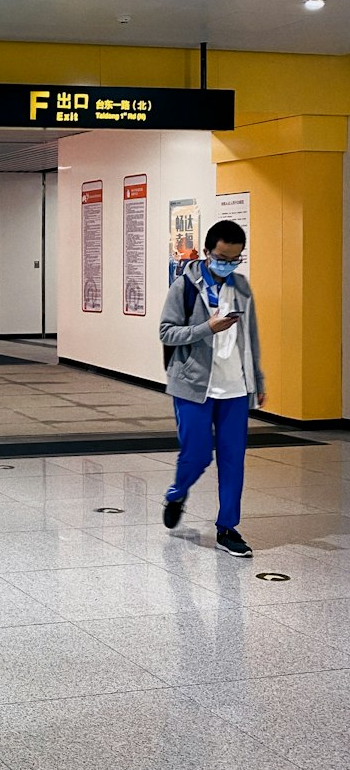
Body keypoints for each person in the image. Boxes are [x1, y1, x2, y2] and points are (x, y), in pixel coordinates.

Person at [159, 219, 265, 556]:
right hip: (194, 386)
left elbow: (251, 336)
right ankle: (177, 493)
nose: (228, 265)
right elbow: (166, 332)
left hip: (234, 387)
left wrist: (257, 379)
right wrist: (207, 327)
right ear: (207, 252)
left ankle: (228, 528)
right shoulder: (185, 286)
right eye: (222, 257)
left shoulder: (242, 287)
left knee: (234, 460)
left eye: (235, 259)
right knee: (198, 454)